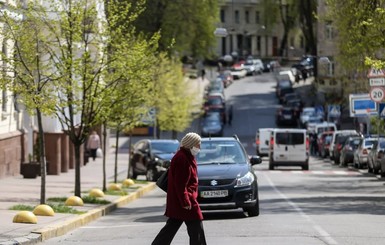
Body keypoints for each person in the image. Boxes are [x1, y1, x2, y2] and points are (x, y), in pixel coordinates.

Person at [152, 132, 207, 245]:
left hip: (182, 200)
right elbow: (180, 184)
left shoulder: (186, 156)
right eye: (198, 145)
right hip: (186, 201)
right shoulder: (182, 158)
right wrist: (185, 201)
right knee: (196, 227)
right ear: (190, 145)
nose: (199, 148)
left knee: (172, 227)